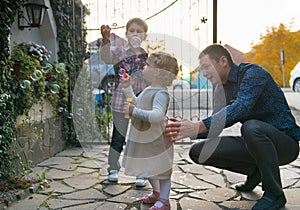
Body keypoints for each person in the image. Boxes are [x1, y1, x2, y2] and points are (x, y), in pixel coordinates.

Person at [164, 44, 300, 210]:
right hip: (255, 143)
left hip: (285, 144)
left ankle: (275, 194)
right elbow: (216, 125)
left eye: (206, 67)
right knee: (199, 152)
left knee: (250, 127)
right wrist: (186, 130)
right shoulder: (219, 89)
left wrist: (198, 125)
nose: (204, 73)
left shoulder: (253, 73)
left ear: (223, 61)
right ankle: (255, 172)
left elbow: (241, 106)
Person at [121, 51, 179, 210]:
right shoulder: (150, 88)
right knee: (148, 166)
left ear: (157, 72)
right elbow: (138, 102)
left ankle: (165, 201)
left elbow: (157, 116)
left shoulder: (161, 93)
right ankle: (157, 192)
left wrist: (134, 111)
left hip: (157, 138)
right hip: (146, 137)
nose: (144, 67)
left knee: (161, 169)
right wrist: (127, 89)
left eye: (148, 65)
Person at [100, 17, 148, 187]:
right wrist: (106, 40)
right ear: (126, 34)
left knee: (140, 137)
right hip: (121, 101)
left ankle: (141, 172)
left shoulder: (146, 56)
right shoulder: (119, 52)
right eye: (132, 31)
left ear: (144, 35)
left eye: (139, 31)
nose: (135, 34)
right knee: (118, 136)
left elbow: (149, 78)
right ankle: (113, 168)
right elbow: (106, 57)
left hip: (140, 101)